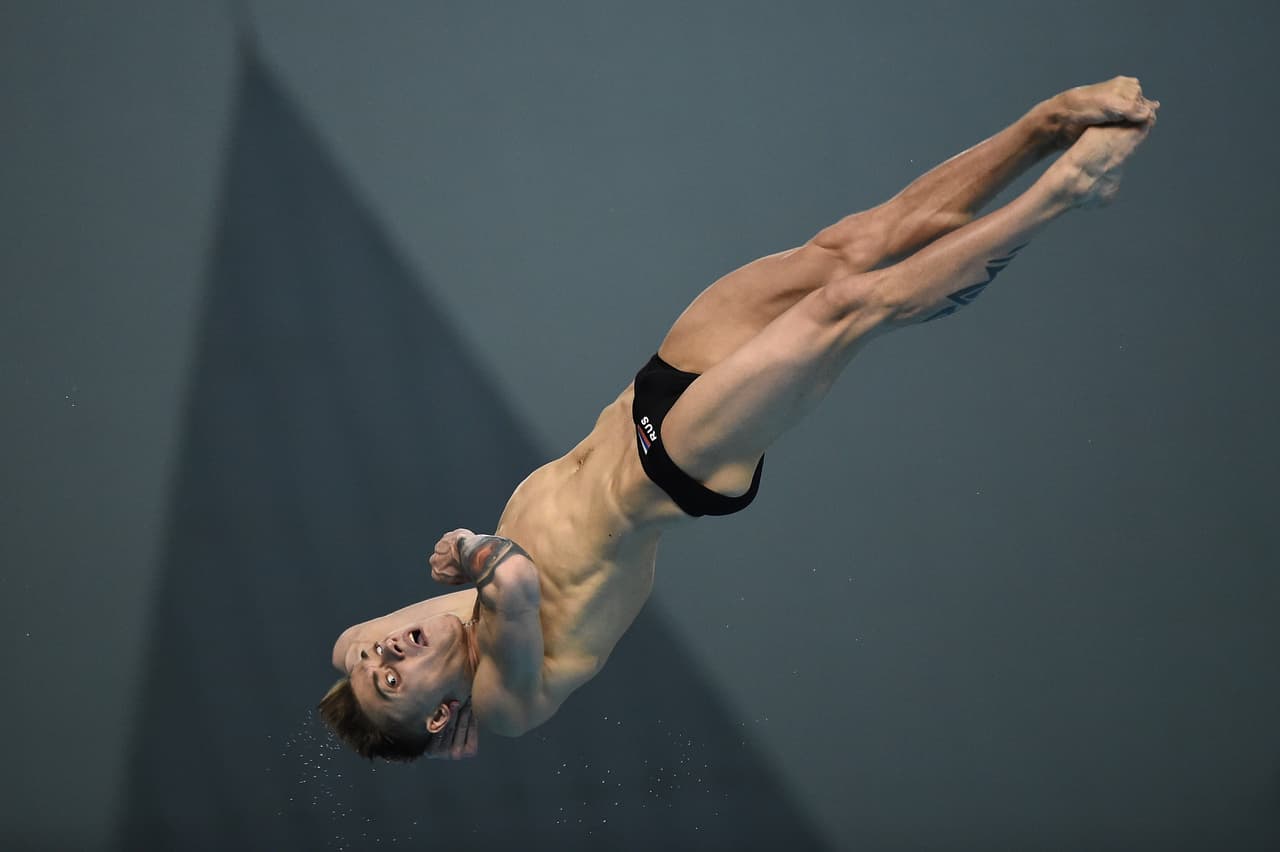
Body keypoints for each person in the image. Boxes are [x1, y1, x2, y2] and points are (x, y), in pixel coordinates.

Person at [319, 77, 1159, 761]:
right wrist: (470, 551)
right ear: (442, 714)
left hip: (648, 393)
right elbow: (514, 583)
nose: (382, 654)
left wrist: (368, 679)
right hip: (671, 470)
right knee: (847, 309)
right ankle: (1066, 193)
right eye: (390, 680)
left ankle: (1044, 127)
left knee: (845, 248)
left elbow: (350, 648)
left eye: (372, 657)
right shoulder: (505, 699)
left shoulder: (411, 640)